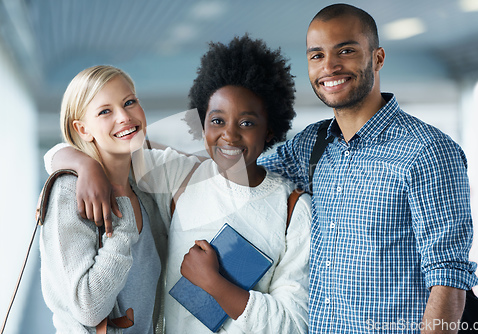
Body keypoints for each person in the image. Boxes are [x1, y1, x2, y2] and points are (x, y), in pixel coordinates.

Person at [44, 36, 311, 333]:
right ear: (203, 124)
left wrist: (215, 285)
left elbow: (294, 324)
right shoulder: (181, 176)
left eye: (246, 123)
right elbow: (104, 148)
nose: (229, 136)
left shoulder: (293, 210)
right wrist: (84, 163)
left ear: (270, 128)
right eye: (217, 121)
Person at [257, 4, 478, 334]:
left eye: (345, 51)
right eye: (316, 55)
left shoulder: (427, 150)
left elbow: (447, 277)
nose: (329, 66)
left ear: (378, 58)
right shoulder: (312, 144)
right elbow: (243, 175)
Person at [40, 65, 197, 333]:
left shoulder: (144, 181)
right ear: (82, 128)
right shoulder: (69, 191)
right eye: (105, 111)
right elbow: (88, 309)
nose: (124, 116)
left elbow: (220, 167)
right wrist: (122, 225)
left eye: (129, 102)